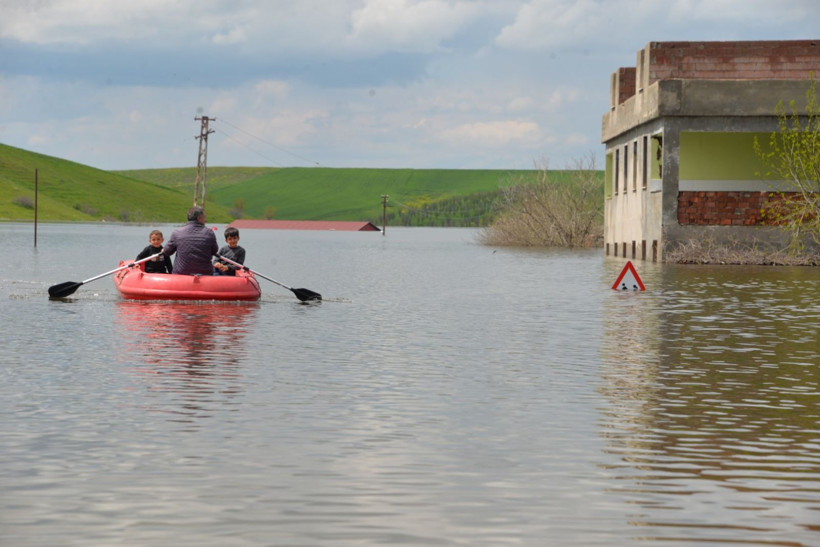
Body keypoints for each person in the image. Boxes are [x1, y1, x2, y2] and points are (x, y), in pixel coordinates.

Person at [163, 206, 219, 275]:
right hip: (205, 275)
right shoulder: (209, 233)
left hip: (181, 274)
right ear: (199, 218)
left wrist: (163, 249)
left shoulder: (177, 232)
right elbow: (214, 251)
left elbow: (167, 251)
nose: (205, 219)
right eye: (204, 217)